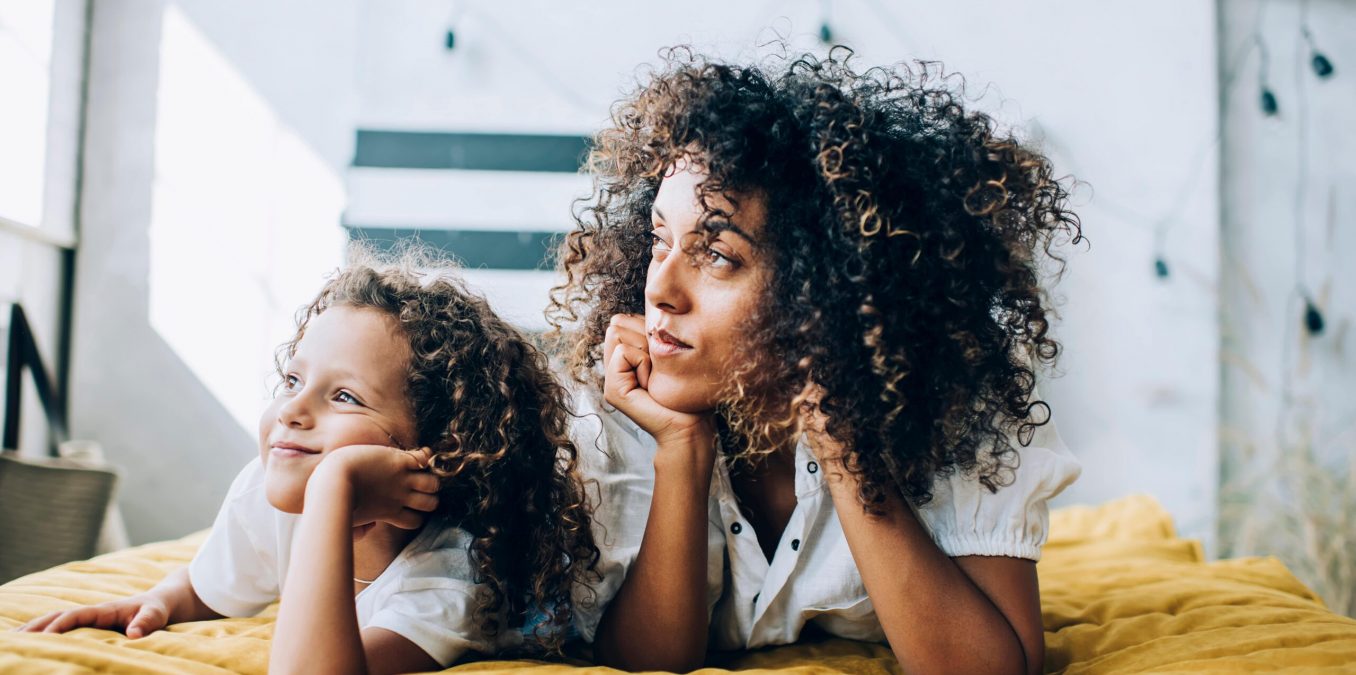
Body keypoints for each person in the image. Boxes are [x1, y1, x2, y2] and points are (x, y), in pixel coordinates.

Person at [549, 47, 1082, 674]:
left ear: (820, 287)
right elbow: (648, 664)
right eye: (659, 240)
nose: (661, 290)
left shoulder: (949, 406)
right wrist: (682, 450)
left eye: (716, 255)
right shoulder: (620, 401)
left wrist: (839, 441)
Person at [21, 247, 598, 675]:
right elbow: (213, 585)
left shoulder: (452, 577)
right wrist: (162, 600)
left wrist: (334, 489)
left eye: (343, 396)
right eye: (293, 380)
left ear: (440, 453)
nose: (291, 410)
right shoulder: (267, 492)